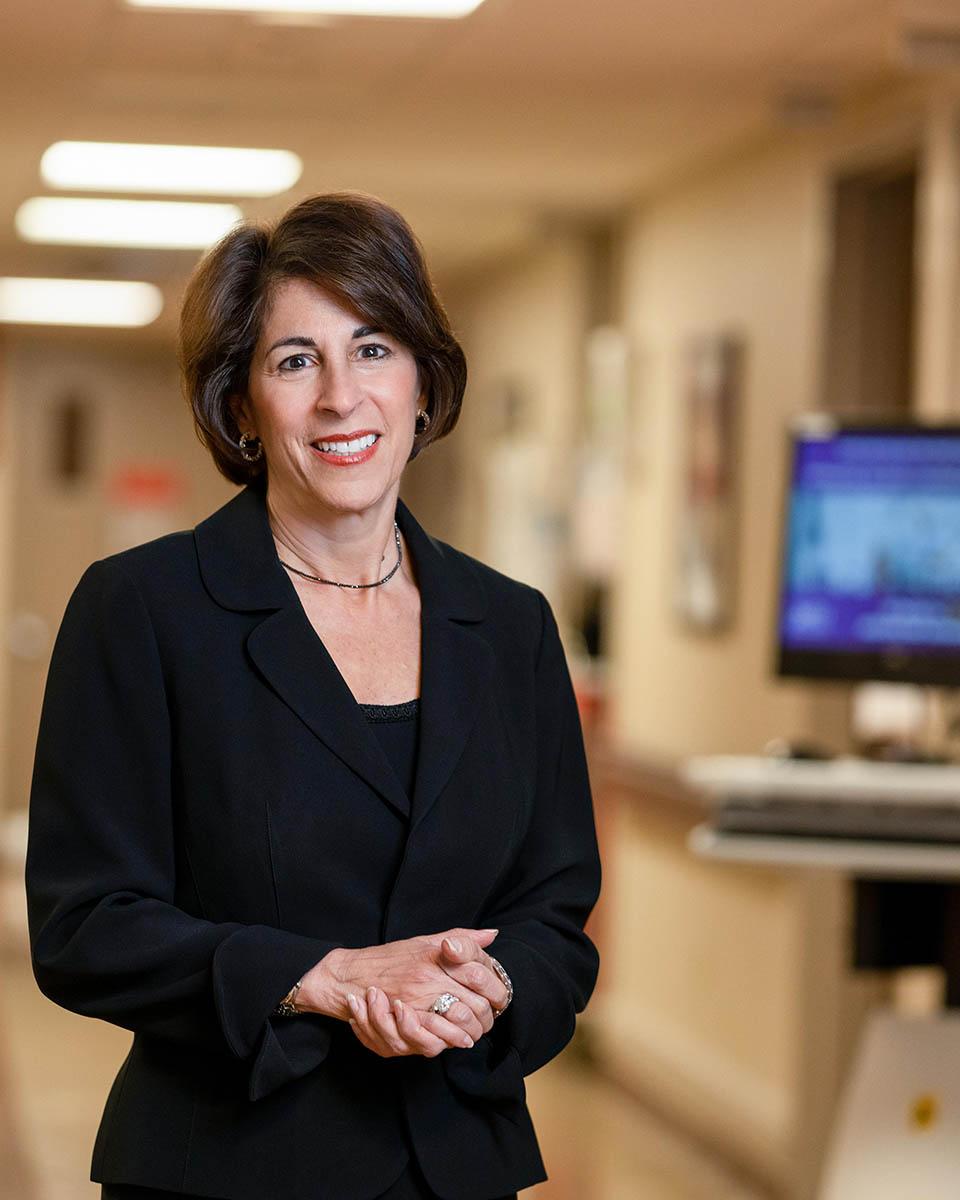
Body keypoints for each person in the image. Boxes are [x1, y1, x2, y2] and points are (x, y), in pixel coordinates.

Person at [24, 192, 602, 1200]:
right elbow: (85, 924)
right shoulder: (146, 611)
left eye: (374, 348)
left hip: (454, 1163)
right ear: (241, 406)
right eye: (297, 361)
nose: (342, 396)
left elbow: (555, 907)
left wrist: (495, 988)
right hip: (222, 1168)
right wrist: (323, 979)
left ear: (423, 379)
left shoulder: (510, 627)